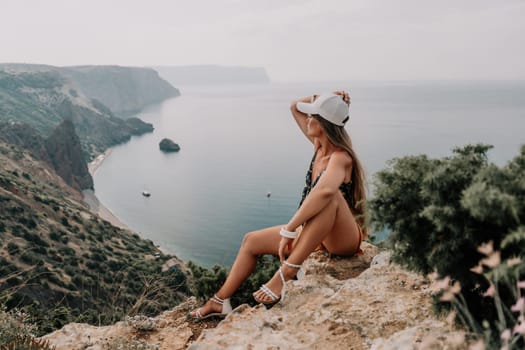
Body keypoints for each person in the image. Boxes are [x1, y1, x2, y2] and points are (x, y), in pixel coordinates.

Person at [189, 91, 367, 320]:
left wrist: (290, 229)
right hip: (316, 235)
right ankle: (218, 301)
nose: (308, 119)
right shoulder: (319, 147)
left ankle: (287, 271)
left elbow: (323, 192)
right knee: (250, 241)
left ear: (323, 124)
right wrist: (326, 96)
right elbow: (295, 106)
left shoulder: (341, 158)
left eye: (314, 116)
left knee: (330, 196)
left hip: (343, 240)